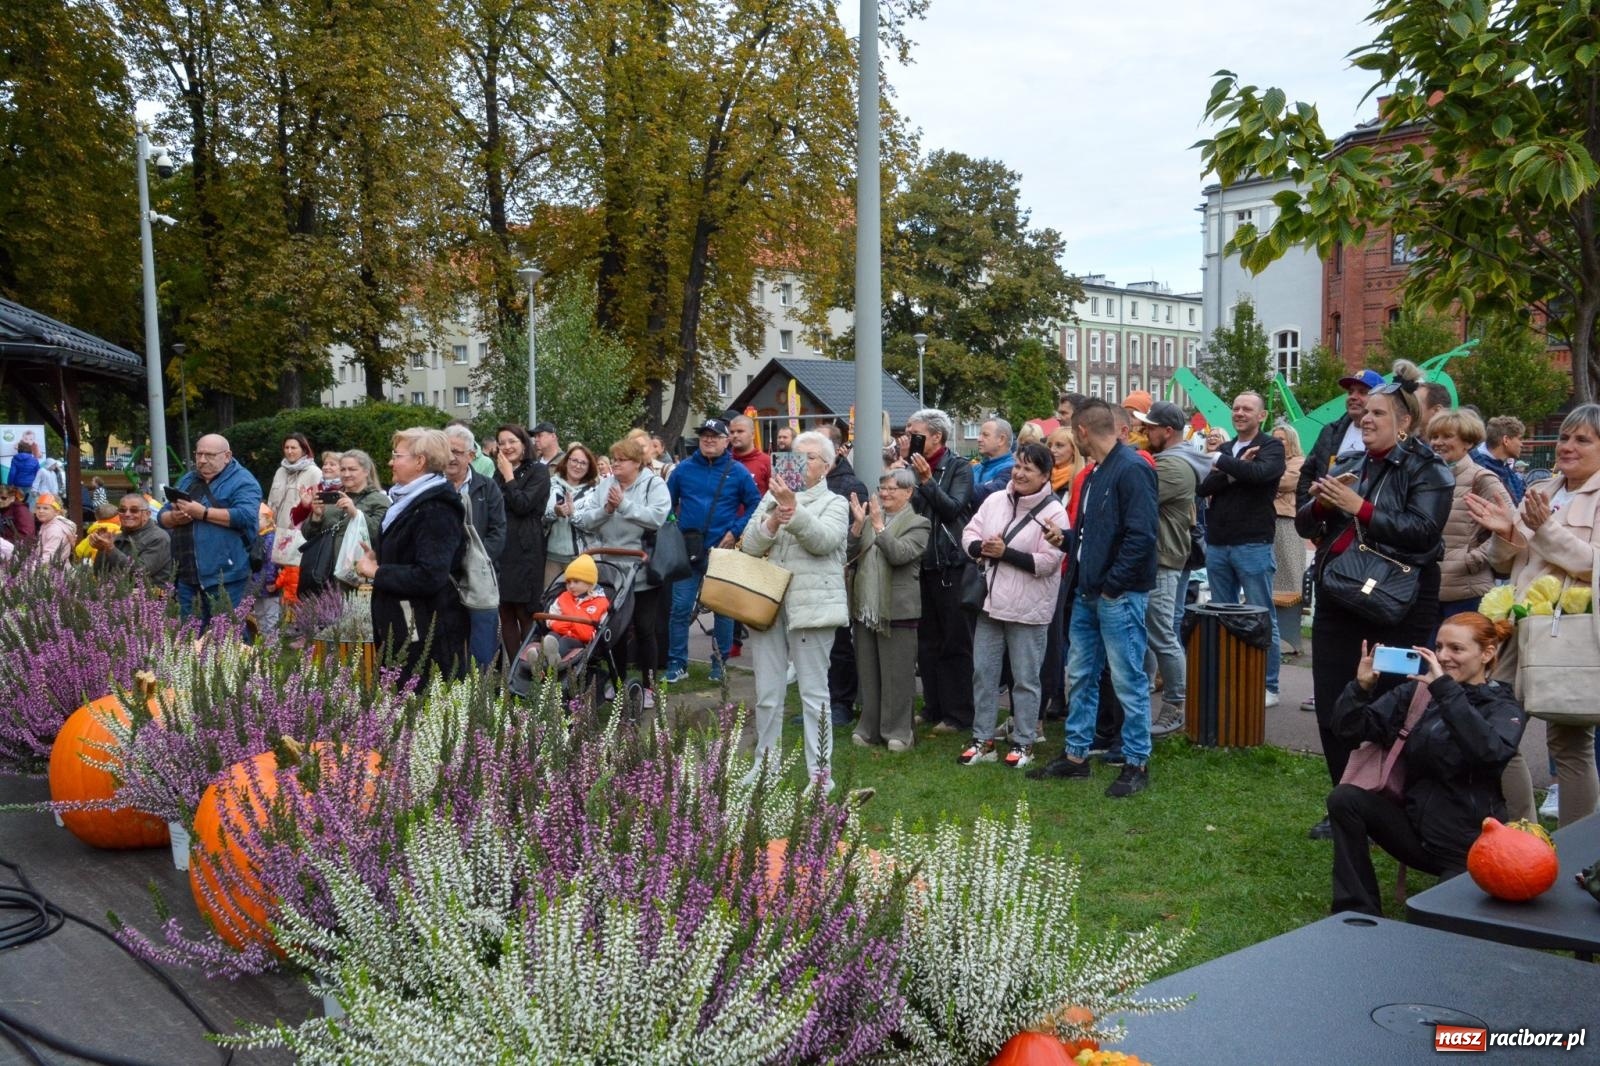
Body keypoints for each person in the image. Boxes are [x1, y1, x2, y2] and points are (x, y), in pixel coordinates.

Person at [1299, 361, 1452, 839]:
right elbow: (1305, 523)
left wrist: (1360, 508)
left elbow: (1423, 532)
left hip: (1397, 604)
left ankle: (1383, 800)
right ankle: (1344, 802)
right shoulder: (1348, 463)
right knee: (1333, 703)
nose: (1365, 418)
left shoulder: (1429, 468)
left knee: (1388, 703)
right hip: (1339, 595)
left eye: (1378, 413)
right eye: (1365, 412)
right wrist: (1322, 504)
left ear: (1404, 422)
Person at [1326, 614, 1524, 916]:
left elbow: (1489, 754)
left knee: (1434, 926)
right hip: (1415, 834)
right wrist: (1360, 688)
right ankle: (1356, 910)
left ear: (1487, 653)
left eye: (1456, 649)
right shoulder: (1420, 693)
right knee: (1345, 798)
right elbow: (1349, 731)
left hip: (1468, 850)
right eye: (1439, 646)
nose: (1443, 656)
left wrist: (1445, 691)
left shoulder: (1503, 707)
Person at [1468, 402, 1600, 827]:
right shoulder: (1542, 488)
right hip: (1517, 628)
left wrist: (1546, 529)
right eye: (1564, 437)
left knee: (1570, 746)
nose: (1568, 446)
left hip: (1566, 635)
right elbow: (1507, 562)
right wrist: (1505, 531)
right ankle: (1523, 836)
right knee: (1495, 734)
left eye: (1583, 440)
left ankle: (1575, 849)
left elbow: (1591, 564)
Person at [1030, 399, 1158, 796]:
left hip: (1117, 594)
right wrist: (1067, 540)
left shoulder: (1132, 468)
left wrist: (1112, 585)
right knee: (1082, 675)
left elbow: (1141, 536)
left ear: (1082, 432)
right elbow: (1094, 535)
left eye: (1072, 433)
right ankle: (1076, 756)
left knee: (1128, 679)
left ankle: (1136, 762)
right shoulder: (1096, 472)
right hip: (1090, 590)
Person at [739, 430, 849, 786]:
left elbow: (824, 541)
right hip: (768, 606)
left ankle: (820, 776)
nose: (800, 463)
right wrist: (773, 519)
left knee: (814, 695)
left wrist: (793, 509)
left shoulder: (835, 502)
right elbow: (749, 546)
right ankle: (765, 766)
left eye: (809, 457)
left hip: (812, 608)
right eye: (795, 455)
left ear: (827, 466)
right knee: (767, 693)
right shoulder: (769, 499)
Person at [957, 442, 1068, 769]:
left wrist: (1005, 553)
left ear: (1045, 475)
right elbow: (969, 532)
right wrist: (979, 547)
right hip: (990, 604)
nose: (1019, 473)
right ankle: (983, 739)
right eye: (1018, 466)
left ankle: (1024, 741)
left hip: (1028, 608)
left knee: (1025, 679)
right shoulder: (995, 500)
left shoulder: (1054, 512)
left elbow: (1048, 562)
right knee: (984, 674)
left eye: (1028, 469)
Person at [353, 428, 469, 686]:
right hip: (404, 624)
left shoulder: (436, 508)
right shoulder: (408, 500)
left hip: (424, 630)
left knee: (419, 696)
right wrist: (381, 557)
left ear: (420, 462)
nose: (390, 462)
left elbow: (430, 575)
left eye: (397, 455)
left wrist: (377, 572)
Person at [1199, 392, 1288, 708]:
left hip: (1253, 543)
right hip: (1218, 543)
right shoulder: (1227, 448)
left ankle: (1268, 685)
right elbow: (1203, 487)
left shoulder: (1271, 447)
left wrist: (1222, 464)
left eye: (1247, 409)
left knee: (1260, 615)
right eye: (1235, 408)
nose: (1239, 413)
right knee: (1223, 616)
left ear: (1261, 415)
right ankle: (1229, 679)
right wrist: (1236, 469)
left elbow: (1260, 475)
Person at [572, 436, 671, 698]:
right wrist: (606, 510)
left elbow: (657, 518)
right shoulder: (605, 485)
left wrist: (624, 506)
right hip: (611, 571)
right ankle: (618, 684)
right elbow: (586, 520)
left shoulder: (654, 484)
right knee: (615, 630)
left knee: (644, 629)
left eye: (621, 460)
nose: (615, 464)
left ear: (637, 462)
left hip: (644, 570)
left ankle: (649, 688)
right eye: (613, 460)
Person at [664, 418, 761, 683]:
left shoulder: (738, 472)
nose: (708, 439)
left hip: (722, 549)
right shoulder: (683, 469)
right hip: (688, 549)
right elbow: (666, 504)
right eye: (704, 435)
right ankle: (676, 664)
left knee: (723, 610)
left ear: (726, 441)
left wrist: (735, 531)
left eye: (715, 436)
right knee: (680, 608)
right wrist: (674, 530)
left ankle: (719, 663)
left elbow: (756, 504)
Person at [848, 469, 931, 752]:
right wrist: (858, 526)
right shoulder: (870, 520)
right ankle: (869, 728)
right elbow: (849, 555)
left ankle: (899, 732)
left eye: (891, 489)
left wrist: (878, 526)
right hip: (866, 608)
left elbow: (898, 555)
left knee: (897, 675)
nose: (884, 494)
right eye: (881, 488)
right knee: (868, 672)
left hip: (898, 610)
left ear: (908, 492)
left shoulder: (919, 524)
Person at [905, 408, 976, 733]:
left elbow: (953, 509)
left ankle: (958, 712)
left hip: (950, 564)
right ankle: (933, 706)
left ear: (936, 436)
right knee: (927, 641)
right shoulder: (908, 468)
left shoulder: (959, 467)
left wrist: (927, 482)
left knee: (955, 641)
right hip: (922, 562)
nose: (909, 439)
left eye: (916, 434)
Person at [1134, 401, 1196, 738]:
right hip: (1155, 559)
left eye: (1150, 427)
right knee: (1148, 633)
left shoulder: (1174, 465)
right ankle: (1141, 700)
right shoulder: (1167, 460)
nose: (1144, 432)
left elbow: (1134, 500)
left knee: (1161, 635)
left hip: (1163, 561)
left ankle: (1175, 707)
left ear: (1167, 431)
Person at [159, 434, 264, 623]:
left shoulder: (243, 481)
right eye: (198, 454)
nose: (201, 460)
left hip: (226, 576)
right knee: (189, 636)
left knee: (229, 633)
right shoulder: (188, 479)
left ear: (227, 456)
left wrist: (203, 513)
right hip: (187, 576)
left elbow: (246, 516)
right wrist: (173, 518)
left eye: (209, 455)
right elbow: (162, 516)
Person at [1430, 410, 1512, 620]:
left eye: (1447, 436)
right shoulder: (1427, 477)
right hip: (1429, 591)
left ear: (1467, 442)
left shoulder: (1481, 478)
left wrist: (1475, 559)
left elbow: (1512, 524)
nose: (1438, 442)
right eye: (1434, 436)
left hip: (1467, 592)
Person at [443, 425, 507, 669]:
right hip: (443, 577)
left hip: (481, 578)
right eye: (447, 450)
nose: (451, 457)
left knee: (481, 645)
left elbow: (498, 532)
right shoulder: (433, 486)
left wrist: (475, 561)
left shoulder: (487, 487)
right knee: (448, 642)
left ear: (471, 456)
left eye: (457, 452)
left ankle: (482, 686)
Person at [819, 422, 868, 724]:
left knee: (838, 642)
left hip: (836, 573)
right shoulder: (802, 482)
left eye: (819, 445)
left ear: (837, 450)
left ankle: (842, 702)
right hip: (808, 575)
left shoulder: (851, 485)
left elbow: (854, 537)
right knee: (814, 644)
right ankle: (820, 701)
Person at [492, 423, 552, 658]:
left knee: (525, 612)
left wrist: (509, 475)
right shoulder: (497, 473)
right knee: (505, 611)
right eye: (502, 443)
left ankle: (529, 667)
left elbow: (522, 505)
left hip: (526, 547)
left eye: (512, 441)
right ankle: (513, 668)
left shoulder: (538, 471)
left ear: (524, 444)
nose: (507, 447)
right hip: (502, 547)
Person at [1040, 425, 1086, 720]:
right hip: (1047, 561)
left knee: (1065, 636)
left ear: (1074, 450)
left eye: (1060, 446)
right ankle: (1055, 694)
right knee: (1052, 636)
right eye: (1050, 445)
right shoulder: (1045, 480)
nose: (1053, 451)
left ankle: (1066, 695)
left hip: (1068, 566)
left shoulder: (1077, 481)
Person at [1299, 368, 1382, 511]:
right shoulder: (1330, 431)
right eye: (1350, 392)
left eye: (1362, 392)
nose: (1353, 397)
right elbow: (1307, 474)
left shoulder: (1385, 435)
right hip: (1324, 517)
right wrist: (1305, 513)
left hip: (1362, 517)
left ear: (1380, 398)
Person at [522, 554, 610, 673]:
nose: (571, 586)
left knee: (565, 642)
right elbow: (551, 617)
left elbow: (601, 625)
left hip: (579, 639)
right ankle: (539, 657)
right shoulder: (564, 597)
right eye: (568, 582)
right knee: (550, 637)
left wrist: (569, 624)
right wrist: (566, 625)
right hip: (559, 632)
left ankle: (550, 661)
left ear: (589, 583)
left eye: (576, 581)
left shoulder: (600, 603)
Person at [300, 450, 391, 549]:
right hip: (324, 558)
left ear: (366, 471)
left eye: (352, 469)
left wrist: (355, 514)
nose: (346, 474)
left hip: (357, 558)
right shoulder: (331, 497)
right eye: (343, 469)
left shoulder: (380, 500)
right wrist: (316, 517)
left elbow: (381, 536)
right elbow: (308, 535)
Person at [1271, 423, 1308, 657]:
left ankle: (1290, 636)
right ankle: (1275, 633)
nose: (1277, 443)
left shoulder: (1298, 462)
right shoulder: (1271, 461)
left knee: (1291, 575)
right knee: (1272, 576)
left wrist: (1264, 480)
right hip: (1268, 520)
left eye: (1282, 439)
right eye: (1274, 439)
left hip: (1287, 522)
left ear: (1291, 442)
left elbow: (1287, 482)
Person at [545, 442, 601, 585]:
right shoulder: (550, 484)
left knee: (580, 597)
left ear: (589, 467)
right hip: (551, 556)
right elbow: (539, 517)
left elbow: (595, 524)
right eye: (574, 460)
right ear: (566, 461)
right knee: (551, 596)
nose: (578, 466)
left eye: (583, 463)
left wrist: (573, 514)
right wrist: (555, 512)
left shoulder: (595, 491)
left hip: (582, 558)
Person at [92, 492, 173, 582]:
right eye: (122, 510)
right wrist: (102, 549)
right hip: (116, 590)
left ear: (147, 514)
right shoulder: (117, 537)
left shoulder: (159, 538)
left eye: (134, 510)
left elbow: (140, 572)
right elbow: (99, 573)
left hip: (149, 590)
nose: (127, 514)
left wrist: (110, 549)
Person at [267, 433, 321, 546]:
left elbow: (318, 507)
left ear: (304, 450)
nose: (289, 451)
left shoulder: (314, 473)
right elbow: (271, 502)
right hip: (274, 533)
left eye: (293, 448)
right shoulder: (280, 471)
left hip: (298, 536)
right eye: (286, 447)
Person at [1473, 415, 1527, 505]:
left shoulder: (1503, 467)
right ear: (1506, 440)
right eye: (1520, 439)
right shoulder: (1478, 468)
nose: (1522, 444)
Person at [970, 418, 1016, 505]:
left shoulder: (1011, 469)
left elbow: (989, 494)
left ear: (1001, 440)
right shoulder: (977, 468)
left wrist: (958, 488)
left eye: (985, 435)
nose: (979, 439)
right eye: (980, 435)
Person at [28, 494, 75, 570]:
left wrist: (30, 569)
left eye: (45, 508)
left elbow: (49, 556)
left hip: (56, 571)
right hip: (51, 569)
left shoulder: (55, 529)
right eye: (38, 508)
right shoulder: (47, 525)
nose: (41, 511)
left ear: (57, 511)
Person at [729, 415, 771, 494]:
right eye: (732, 432)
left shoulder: (767, 462)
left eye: (740, 431)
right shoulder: (723, 460)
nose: (735, 435)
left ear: (752, 434)